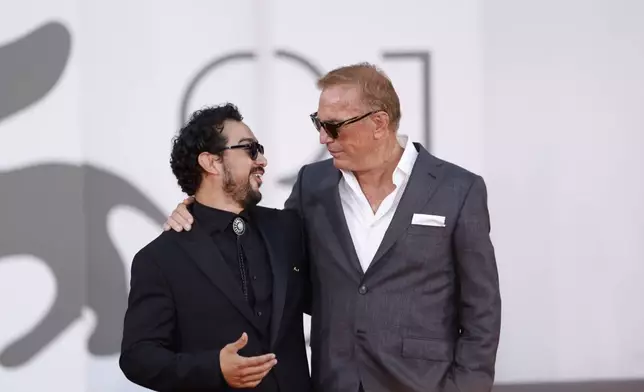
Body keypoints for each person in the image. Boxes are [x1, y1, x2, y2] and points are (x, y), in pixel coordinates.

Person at [164, 63, 501, 392]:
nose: (324, 138)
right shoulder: (313, 183)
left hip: (423, 382)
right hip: (334, 380)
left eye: (334, 126)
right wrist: (197, 208)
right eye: (318, 123)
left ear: (379, 123)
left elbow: (481, 309)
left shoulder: (457, 188)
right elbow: (266, 242)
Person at [120, 103, 311, 392]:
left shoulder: (288, 228)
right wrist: (214, 368)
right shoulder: (160, 258)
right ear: (211, 163)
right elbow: (139, 357)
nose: (263, 160)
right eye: (251, 149)